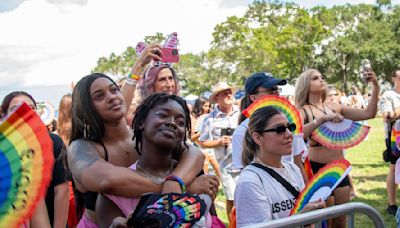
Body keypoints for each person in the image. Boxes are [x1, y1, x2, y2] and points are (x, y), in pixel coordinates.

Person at [67, 73, 213, 227]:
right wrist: (179, 188)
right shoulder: (81, 147)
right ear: (84, 107)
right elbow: (107, 181)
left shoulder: (145, 136)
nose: (111, 97)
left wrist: (175, 181)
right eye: (99, 96)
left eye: (114, 90)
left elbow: (195, 154)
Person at [96, 93, 216, 227]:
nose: (172, 123)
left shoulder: (193, 174)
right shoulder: (113, 193)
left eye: (180, 122)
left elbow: (213, 220)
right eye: (163, 115)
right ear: (142, 122)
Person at [295, 68, 379, 227]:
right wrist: (321, 121)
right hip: (317, 170)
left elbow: (369, 113)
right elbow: (296, 135)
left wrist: (375, 86)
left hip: (340, 170)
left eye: (321, 77)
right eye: (315, 78)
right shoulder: (303, 111)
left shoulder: (335, 106)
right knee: (324, 221)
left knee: (341, 221)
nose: (321, 79)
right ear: (306, 84)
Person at [234, 106, 326, 227]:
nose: (289, 134)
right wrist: (301, 217)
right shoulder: (250, 182)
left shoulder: (293, 169)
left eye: (290, 127)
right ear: (257, 138)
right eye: (279, 129)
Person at [1, 91, 70, 228]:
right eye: (16, 109)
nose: (25, 112)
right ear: (4, 116)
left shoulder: (52, 142)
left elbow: (62, 191)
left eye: (32, 108)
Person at [232, 72, 307, 181]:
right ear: (253, 97)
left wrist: (307, 194)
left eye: (277, 90)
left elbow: (298, 163)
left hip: (293, 187)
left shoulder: (289, 124)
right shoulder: (242, 132)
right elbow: (243, 173)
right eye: (271, 90)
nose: (277, 94)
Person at [199, 82, 240, 218]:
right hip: (226, 166)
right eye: (224, 93)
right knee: (231, 199)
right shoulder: (209, 120)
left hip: (245, 163)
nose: (229, 95)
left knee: (246, 196)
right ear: (216, 98)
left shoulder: (241, 113)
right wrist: (219, 141)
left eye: (230, 92)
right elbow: (203, 142)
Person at [380, 69, 400, 216]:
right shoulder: (388, 95)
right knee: (394, 168)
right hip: (395, 138)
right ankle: (391, 204)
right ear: (393, 78)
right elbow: (387, 116)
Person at [191, 97, 221, 177]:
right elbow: (192, 138)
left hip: (210, 146)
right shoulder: (193, 118)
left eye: (208, 106)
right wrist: (202, 132)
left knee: (218, 168)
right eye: (205, 106)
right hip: (199, 148)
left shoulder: (209, 117)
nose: (207, 108)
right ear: (199, 106)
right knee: (205, 171)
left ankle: (223, 184)